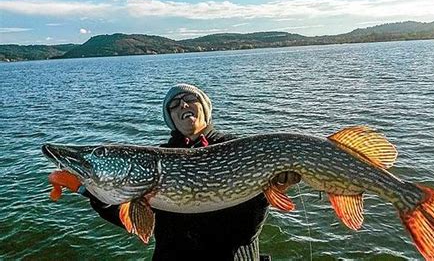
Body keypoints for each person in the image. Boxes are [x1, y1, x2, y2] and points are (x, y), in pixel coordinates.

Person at [52, 83, 300, 260]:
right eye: (173, 105)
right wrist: (87, 188)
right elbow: (128, 217)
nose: (182, 104)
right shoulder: (156, 158)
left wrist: (271, 189)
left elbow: (245, 233)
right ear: (171, 118)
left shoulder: (238, 148)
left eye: (189, 99)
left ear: (204, 107)